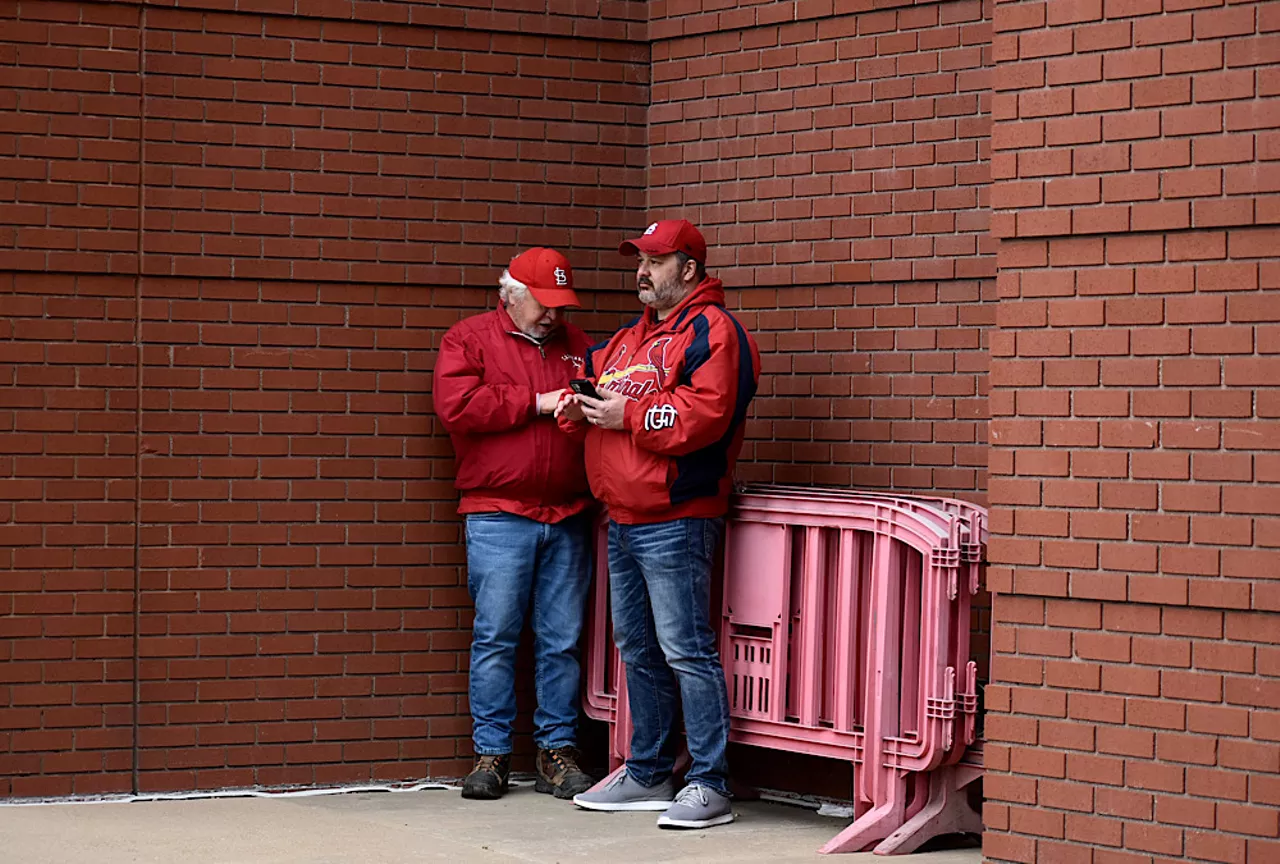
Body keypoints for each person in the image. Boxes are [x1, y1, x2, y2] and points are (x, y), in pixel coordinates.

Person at [556, 219, 760, 829]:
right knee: (638, 650)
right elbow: (606, 403)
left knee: (685, 651)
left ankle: (709, 783)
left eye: (654, 261)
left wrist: (628, 414)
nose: (641, 272)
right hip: (621, 517)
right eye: (639, 261)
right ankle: (646, 773)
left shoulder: (715, 331)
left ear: (689, 269)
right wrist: (582, 409)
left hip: (677, 518)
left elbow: (706, 416)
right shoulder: (628, 339)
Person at [433, 247, 596, 801]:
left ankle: (557, 752)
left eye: (560, 305)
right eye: (543, 304)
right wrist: (536, 402)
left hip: (570, 512)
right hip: (498, 511)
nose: (553, 315)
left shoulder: (581, 347)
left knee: (562, 641)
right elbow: (457, 406)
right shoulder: (469, 338)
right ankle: (492, 754)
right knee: (497, 638)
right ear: (510, 295)